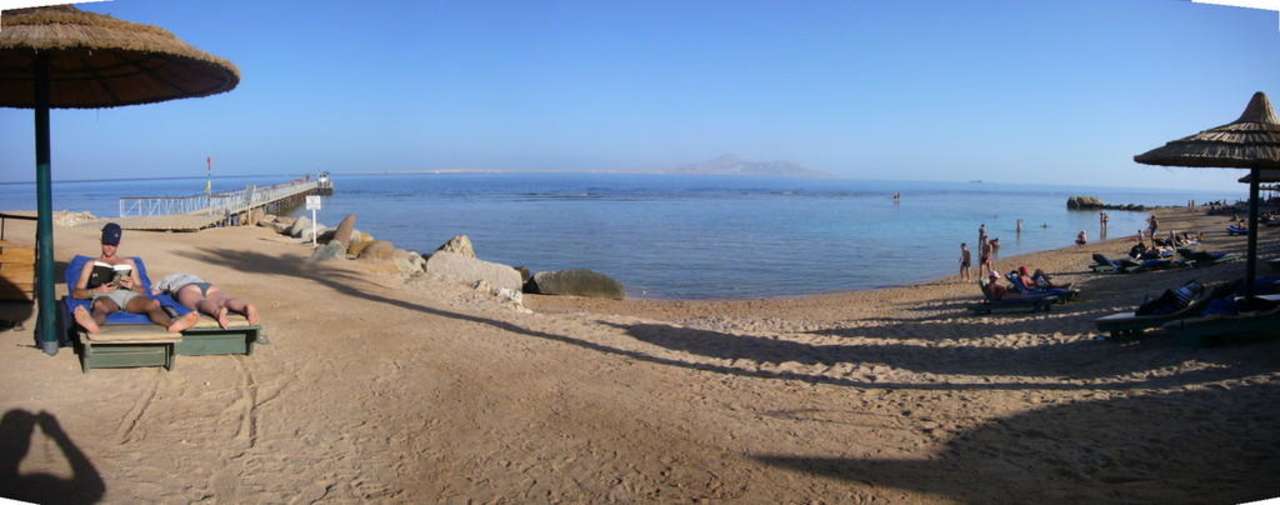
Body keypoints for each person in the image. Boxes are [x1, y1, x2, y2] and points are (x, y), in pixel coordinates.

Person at [71, 223, 197, 334]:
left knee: (152, 304)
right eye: (106, 243)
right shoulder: (91, 264)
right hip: (105, 296)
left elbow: (142, 290)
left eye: (113, 245)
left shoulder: (129, 263)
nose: (109, 248)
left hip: (128, 296)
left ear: (118, 244)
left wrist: (132, 286)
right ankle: (92, 324)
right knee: (100, 306)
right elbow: (77, 293)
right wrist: (96, 291)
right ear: (101, 241)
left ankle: (172, 325)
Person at [153, 273, 262, 332]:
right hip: (208, 286)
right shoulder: (194, 277)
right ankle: (244, 307)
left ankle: (216, 310)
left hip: (187, 288)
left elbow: (155, 291)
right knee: (225, 300)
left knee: (199, 302)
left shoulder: (168, 280)